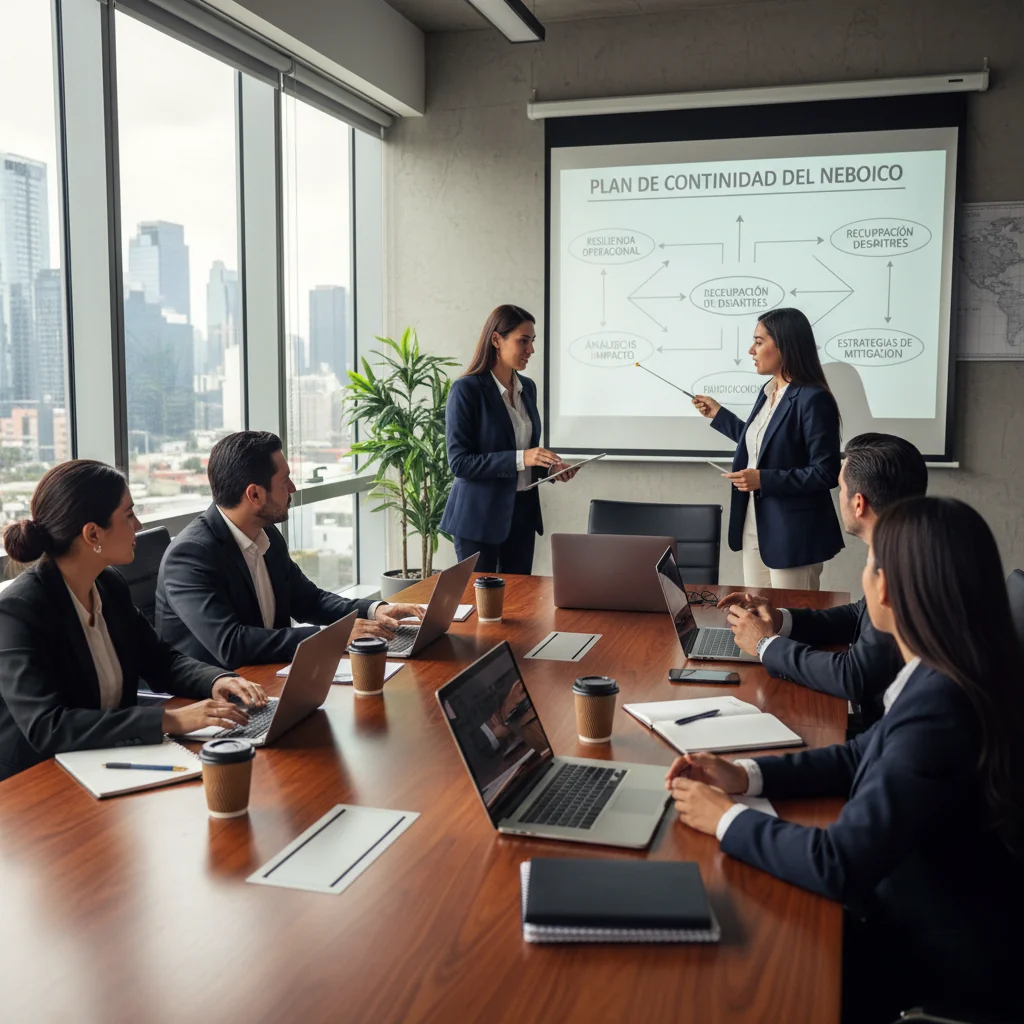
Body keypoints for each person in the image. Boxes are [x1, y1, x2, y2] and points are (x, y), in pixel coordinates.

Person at [666, 497, 1024, 1020]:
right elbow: (863, 752)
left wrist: (725, 819)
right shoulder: (945, 672)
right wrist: (744, 775)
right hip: (921, 913)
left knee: (730, 970)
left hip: (927, 957)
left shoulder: (940, 710)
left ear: (886, 587)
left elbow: (838, 864)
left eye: (870, 562)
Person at [0, 461, 269, 782]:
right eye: (128, 515)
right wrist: (167, 720)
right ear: (92, 533)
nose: (139, 525)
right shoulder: (18, 610)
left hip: (110, 759)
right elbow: (47, 727)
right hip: (37, 781)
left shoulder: (108, 585)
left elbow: (160, 660)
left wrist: (217, 681)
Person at [156, 431, 422, 669]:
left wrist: (375, 610)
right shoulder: (190, 555)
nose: (293, 489)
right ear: (255, 495)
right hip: (211, 700)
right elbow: (231, 644)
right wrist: (333, 637)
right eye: (285, 481)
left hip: (269, 676)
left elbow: (309, 600)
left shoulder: (266, 533)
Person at [718, 433, 928, 727]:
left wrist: (765, 643)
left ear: (858, 503)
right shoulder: (909, 546)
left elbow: (854, 677)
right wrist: (780, 620)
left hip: (884, 733)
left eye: (840, 488)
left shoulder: (904, 570)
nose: (837, 496)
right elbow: (859, 614)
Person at [692, 307, 843, 590]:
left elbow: (826, 473)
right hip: (754, 524)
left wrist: (763, 479)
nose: (751, 350)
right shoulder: (768, 392)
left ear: (785, 344)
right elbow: (764, 445)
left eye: (759, 342)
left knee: (793, 620)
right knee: (760, 616)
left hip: (793, 534)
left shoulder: (813, 399)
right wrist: (719, 416)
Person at [439, 305, 577, 575]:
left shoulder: (528, 388)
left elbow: (526, 458)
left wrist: (550, 469)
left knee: (518, 608)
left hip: (522, 515)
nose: (531, 350)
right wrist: (522, 457)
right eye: (523, 341)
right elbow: (460, 463)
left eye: (532, 341)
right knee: (481, 610)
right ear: (496, 340)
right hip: (479, 520)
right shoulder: (466, 390)